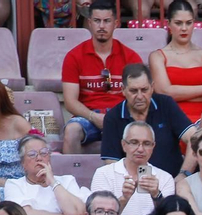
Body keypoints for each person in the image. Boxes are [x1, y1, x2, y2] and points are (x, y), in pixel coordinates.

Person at [60, 0, 142, 155]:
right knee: (71, 131)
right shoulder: (74, 56)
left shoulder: (131, 57)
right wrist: (93, 116)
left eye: (107, 21)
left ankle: (134, 178)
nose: (102, 26)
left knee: (139, 131)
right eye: (97, 21)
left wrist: (116, 118)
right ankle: (71, 178)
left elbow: (138, 97)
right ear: (89, 23)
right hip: (88, 116)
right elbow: (70, 102)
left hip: (121, 115)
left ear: (116, 23)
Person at [2, 134, 89, 215]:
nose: (39, 158)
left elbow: (77, 212)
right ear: (22, 163)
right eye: (32, 154)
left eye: (44, 153)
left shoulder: (67, 181)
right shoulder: (14, 184)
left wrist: (53, 182)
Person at [100, 65, 192, 178]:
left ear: (152, 87)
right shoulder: (113, 117)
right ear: (123, 90)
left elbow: (194, 138)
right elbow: (111, 163)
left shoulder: (166, 104)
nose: (139, 96)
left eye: (144, 90)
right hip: (131, 186)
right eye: (133, 91)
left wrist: (183, 175)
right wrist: (130, 185)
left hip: (172, 182)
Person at [92, 121, 177, 215]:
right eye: (134, 142)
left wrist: (156, 196)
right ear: (123, 145)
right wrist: (124, 198)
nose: (140, 149)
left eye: (146, 144)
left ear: (153, 147)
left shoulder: (165, 177)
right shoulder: (104, 173)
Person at [150, 0, 202, 125]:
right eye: (178, 23)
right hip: (169, 120)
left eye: (189, 23)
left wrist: (176, 92)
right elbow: (164, 93)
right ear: (169, 24)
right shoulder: (157, 56)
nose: (184, 28)